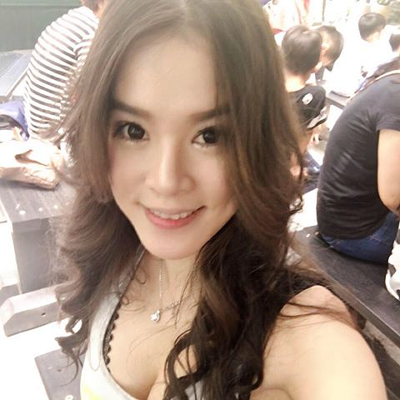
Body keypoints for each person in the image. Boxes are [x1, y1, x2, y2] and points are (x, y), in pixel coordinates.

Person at [56, 1, 386, 399]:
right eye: (133, 130)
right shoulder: (112, 250)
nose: (166, 181)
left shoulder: (310, 340)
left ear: (259, 142)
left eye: (210, 136)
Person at [317, 58, 400, 264]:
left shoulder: (389, 79)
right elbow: (393, 198)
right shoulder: (396, 96)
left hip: (341, 216)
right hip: (353, 232)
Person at [23, 0, 108, 140]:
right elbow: (92, 104)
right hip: (58, 140)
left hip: (38, 130)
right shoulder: (95, 33)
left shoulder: (79, 17)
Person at [281, 25, 327, 153]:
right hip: (286, 158)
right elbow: (304, 139)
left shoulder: (264, 84)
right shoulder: (315, 94)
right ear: (316, 65)